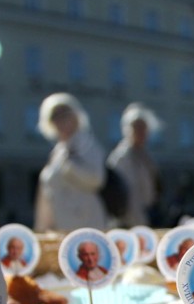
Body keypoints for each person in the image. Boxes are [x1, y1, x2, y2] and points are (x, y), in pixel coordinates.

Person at [34, 93, 108, 232]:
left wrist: (70, 166)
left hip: (86, 225)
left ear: (76, 116)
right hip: (61, 227)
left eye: (64, 114)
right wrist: (42, 227)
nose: (60, 120)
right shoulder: (58, 150)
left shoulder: (87, 143)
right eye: (54, 116)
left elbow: (97, 179)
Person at [107, 102, 162, 227]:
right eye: (137, 127)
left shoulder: (145, 155)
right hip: (128, 222)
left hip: (145, 215)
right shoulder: (121, 157)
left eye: (143, 128)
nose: (141, 132)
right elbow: (123, 195)